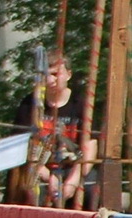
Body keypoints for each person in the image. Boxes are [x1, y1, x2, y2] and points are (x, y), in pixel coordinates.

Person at [14, 54, 88, 206]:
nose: (50, 80)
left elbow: (90, 145)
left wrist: (73, 180)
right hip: (39, 167)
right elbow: (23, 145)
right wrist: (49, 177)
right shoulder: (30, 104)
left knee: (92, 191)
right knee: (26, 191)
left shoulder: (81, 104)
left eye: (55, 74)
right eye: (47, 75)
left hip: (73, 167)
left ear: (69, 74)